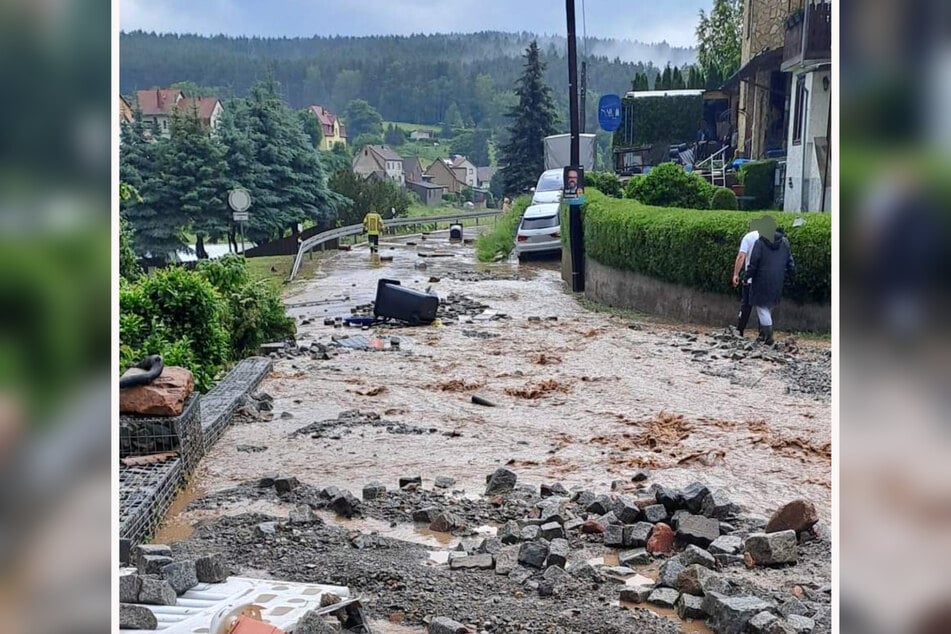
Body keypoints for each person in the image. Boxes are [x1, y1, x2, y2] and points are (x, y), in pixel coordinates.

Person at [746, 216, 795, 345]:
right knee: (769, 307)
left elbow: (754, 263)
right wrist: (792, 275)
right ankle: (763, 334)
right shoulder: (784, 242)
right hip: (777, 280)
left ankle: (768, 336)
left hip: (761, 280)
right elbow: (790, 262)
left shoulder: (760, 243)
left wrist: (746, 276)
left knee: (761, 308)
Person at [731, 220, 759, 336]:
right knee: (763, 307)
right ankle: (763, 333)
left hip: (750, 278)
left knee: (746, 304)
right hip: (765, 278)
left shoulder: (748, 237)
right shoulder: (768, 237)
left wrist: (736, 274)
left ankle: (740, 329)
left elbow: (741, 256)